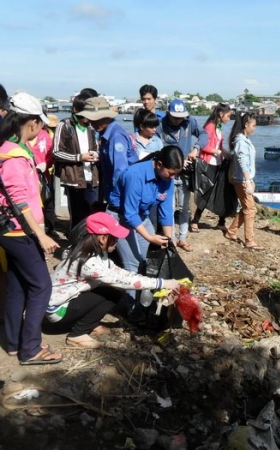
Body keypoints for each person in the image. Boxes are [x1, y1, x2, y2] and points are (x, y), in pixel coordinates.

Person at [46, 212, 180, 349]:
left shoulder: (92, 251)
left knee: (110, 291)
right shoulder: (88, 262)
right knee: (113, 292)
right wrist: (162, 283)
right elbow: (121, 281)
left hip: (67, 299)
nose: (117, 242)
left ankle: (88, 323)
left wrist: (152, 281)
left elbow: (117, 272)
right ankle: (77, 335)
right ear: (103, 238)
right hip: (58, 310)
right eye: (115, 238)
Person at [0, 92, 61, 364]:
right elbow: (18, 200)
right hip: (19, 231)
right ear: (32, 123)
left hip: (16, 230)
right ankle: (31, 349)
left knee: (17, 285)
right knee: (41, 287)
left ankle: (13, 343)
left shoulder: (14, 148)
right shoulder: (13, 155)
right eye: (41, 124)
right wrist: (42, 235)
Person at [107, 145, 183, 313]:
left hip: (142, 217)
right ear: (159, 164)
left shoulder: (167, 180)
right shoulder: (135, 175)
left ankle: (145, 302)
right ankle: (132, 308)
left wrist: (169, 239)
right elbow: (129, 213)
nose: (172, 177)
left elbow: (166, 210)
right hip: (119, 217)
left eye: (175, 174)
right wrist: (150, 237)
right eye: (170, 173)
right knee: (132, 263)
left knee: (147, 260)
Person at [157, 99, 202, 252]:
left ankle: (182, 238)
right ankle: (172, 239)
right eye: (175, 117)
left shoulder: (190, 123)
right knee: (168, 207)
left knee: (184, 207)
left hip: (185, 174)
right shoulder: (160, 125)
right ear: (168, 113)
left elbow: (204, 134)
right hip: (167, 174)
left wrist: (196, 148)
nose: (178, 120)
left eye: (181, 117)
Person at [52, 92, 101, 234]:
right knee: (78, 215)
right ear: (76, 110)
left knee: (92, 214)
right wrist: (79, 157)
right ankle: (76, 246)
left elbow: (95, 147)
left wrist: (95, 154)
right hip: (74, 179)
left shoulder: (91, 128)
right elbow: (56, 152)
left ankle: (90, 245)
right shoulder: (65, 126)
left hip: (92, 177)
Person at [78, 96, 138, 205]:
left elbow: (120, 171)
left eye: (95, 120)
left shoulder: (116, 136)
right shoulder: (106, 135)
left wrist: (116, 199)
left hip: (123, 195)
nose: (92, 123)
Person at [224, 112, 263, 250]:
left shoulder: (243, 139)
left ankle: (231, 231)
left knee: (248, 208)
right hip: (241, 179)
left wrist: (249, 179)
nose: (254, 128)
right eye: (253, 125)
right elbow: (242, 160)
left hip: (243, 179)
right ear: (246, 124)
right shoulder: (241, 141)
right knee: (251, 209)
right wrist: (247, 180)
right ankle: (249, 240)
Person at [191, 102, 232, 232]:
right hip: (208, 163)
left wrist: (225, 153)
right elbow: (204, 146)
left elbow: (219, 146)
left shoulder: (219, 126)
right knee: (206, 192)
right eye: (228, 116)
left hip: (218, 162)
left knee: (222, 191)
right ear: (221, 114)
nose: (229, 118)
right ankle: (195, 220)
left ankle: (221, 221)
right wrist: (217, 152)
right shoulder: (210, 126)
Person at [29, 119, 58, 238]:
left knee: (48, 201)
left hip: (44, 175)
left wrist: (47, 164)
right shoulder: (21, 137)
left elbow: (52, 154)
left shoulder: (45, 136)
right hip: (30, 176)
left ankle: (50, 228)